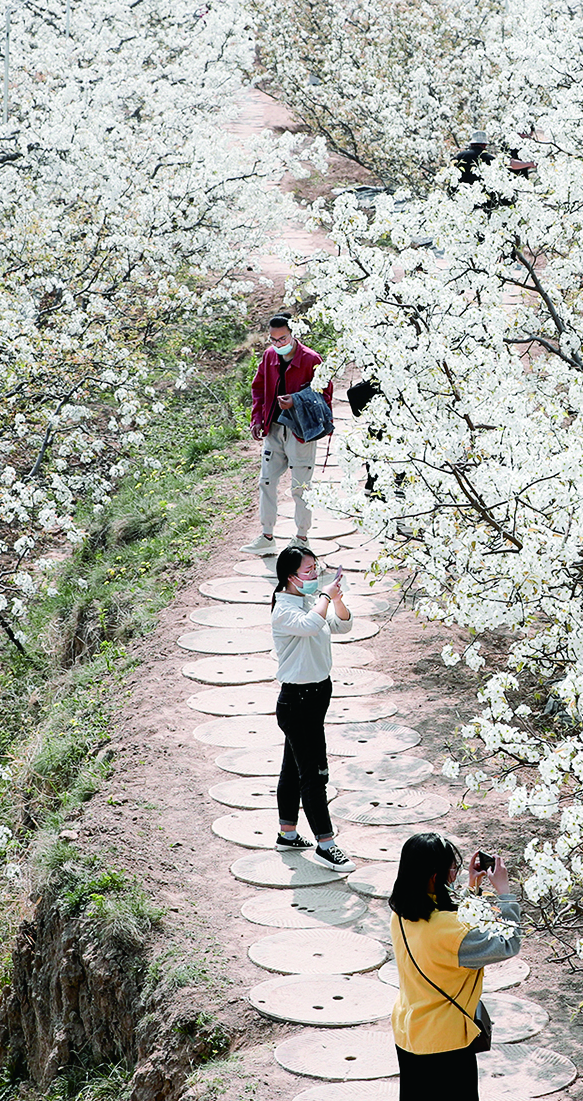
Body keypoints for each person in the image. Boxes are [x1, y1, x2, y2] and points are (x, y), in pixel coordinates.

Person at [389, 833, 521, 1101]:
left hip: (410, 1032)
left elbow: (453, 926)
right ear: (434, 876)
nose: (455, 875)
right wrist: (504, 894)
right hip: (447, 1045)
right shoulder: (451, 931)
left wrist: (473, 890)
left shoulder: (401, 913)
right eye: (451, 870)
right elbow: (506, 943)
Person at [270, 544, 354, 872]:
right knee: (315, 774)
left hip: (316, 697)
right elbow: (309, 625)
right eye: (308, 571)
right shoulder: (284, 609)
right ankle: (326, 845)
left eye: (316, 568)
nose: (314, 574)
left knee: (293, 767)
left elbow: (342, 625)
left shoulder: (309, 601)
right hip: (298, 701)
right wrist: (324, 597)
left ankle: (287, 833)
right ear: (290, 577)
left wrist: (337, 599)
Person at [244, 316, 334, 555]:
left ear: (294, 335)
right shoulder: (269, 356)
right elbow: (258, 388)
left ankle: (302, 538)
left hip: (301, 431)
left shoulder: (312, 359)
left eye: (282, 338)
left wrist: (296, 400)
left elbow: (325, 396)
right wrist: (257, 418)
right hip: (273, 427)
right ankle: (267, 535)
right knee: (266, 481)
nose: (278, 343)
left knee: (301, 486)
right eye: (273, 339)